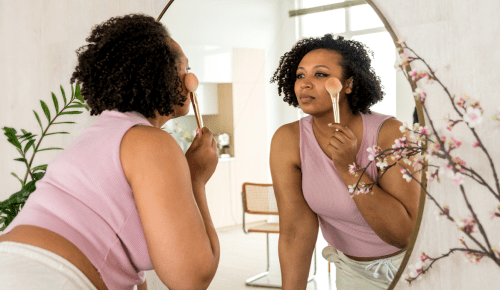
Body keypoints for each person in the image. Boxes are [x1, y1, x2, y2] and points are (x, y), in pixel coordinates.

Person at [0, 14, 220, 290]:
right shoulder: (151, 143)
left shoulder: (101, 134)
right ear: (160, 75)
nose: (190, 77)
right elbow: (191, 278)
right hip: (51, 277)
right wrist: (196, 179)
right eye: (184, 67)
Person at [269, 34, 420, 290]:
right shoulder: (288, 140)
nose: (305, 84)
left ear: (348, 85)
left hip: (414, 267)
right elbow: (295, 233)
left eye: (320, 74)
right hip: (351, 272)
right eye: (300, 75)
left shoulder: (391, 133)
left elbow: (403, 234)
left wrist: (349, 168)